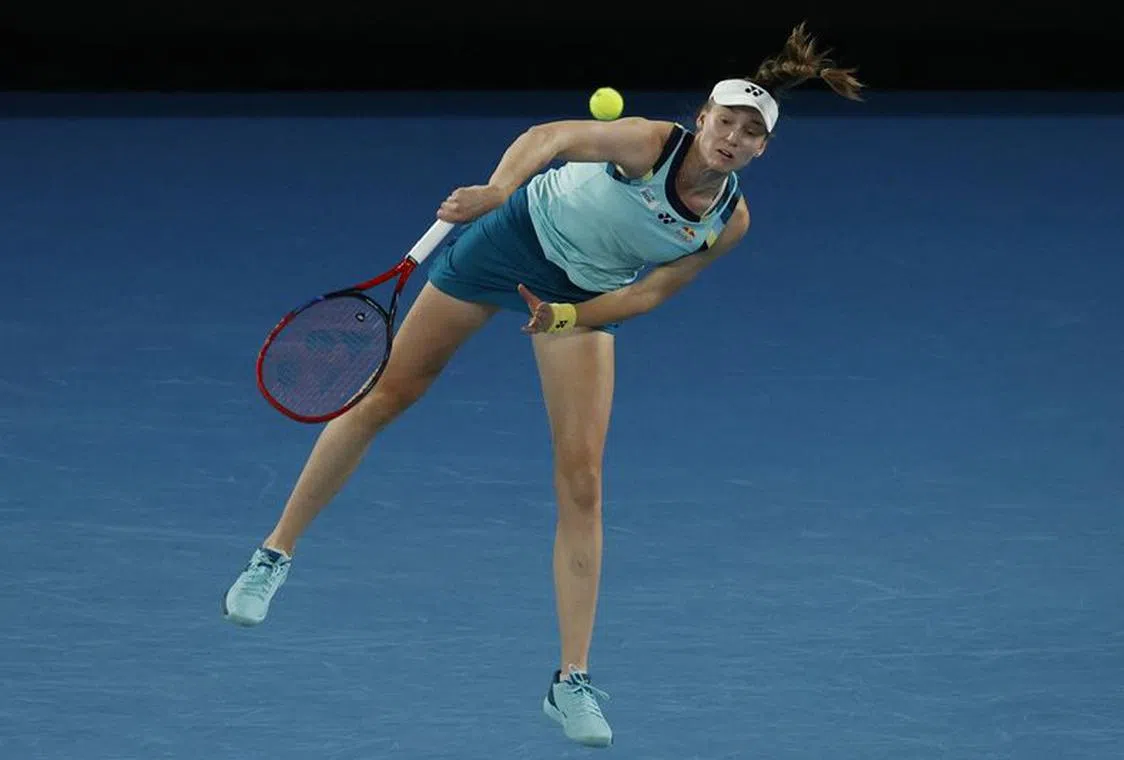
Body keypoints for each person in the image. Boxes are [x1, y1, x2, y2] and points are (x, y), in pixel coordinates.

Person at [222, 22, 863, 749]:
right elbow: (551, 136)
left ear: (760, 150)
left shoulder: (729, 221)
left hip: (582, 297)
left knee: (583, 480)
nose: (733, 138)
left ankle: (572, 683)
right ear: (702, 120)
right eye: (726, 121)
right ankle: (272, 556)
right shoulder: (650, 142)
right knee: (389, 394)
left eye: (751, 133)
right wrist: (498, 191)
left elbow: (650, 295)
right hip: (511, 239)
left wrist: (569, 315)